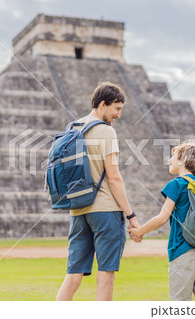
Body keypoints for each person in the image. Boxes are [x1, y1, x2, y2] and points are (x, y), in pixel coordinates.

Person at [56, 81, 141, 301]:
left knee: (73, 274)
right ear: (103, 105)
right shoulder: (106, 131)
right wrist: (131, 216)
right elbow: (114, 178)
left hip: (78, 210)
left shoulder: (72, 127)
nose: (119, 115)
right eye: (117, 108)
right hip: (105, 211)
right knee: (106, 275)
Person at [128, 140, 195, 301]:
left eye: (173, 157)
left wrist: (138, 231)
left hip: (183, 251)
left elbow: (162, 218)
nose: (169, 160)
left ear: (182, 161)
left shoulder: (177, 184)